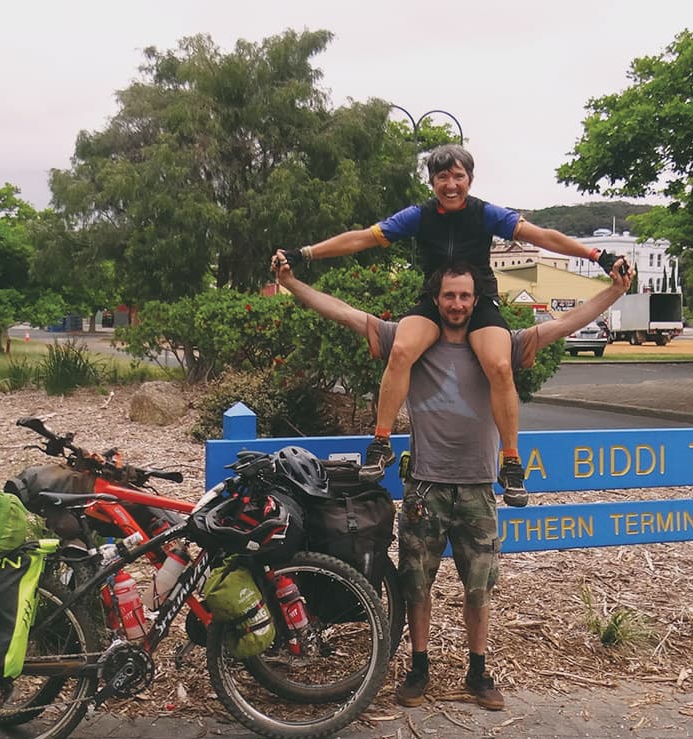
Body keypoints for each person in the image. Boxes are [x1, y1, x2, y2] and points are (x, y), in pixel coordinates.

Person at [270, 253, 633, 710]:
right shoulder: (411, 342)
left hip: (478, 488)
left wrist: (615, 291)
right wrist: (291, 283)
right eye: (449, 296)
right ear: (436, 299)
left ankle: (478, 671)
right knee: (415, 587)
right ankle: (418, 667)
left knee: (479, 589)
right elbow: (344, 312)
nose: (457, 304)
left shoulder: (500, 346)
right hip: (426, 487)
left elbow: (563, 324)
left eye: (464, 296)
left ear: (476, 300)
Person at [275, 144, 628, 507]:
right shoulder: (419, 216)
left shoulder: (486, 214)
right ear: (432, 182)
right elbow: (362, 238)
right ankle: (381, 443)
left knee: (500, 365)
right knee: (401, 350)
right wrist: (304, 254)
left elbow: (542, 237)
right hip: (435, 297)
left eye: (458, 176)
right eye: (442, 177)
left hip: (480, 298)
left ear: (469, 180)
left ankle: (510, 462)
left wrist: (597, 255)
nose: (451, 184)